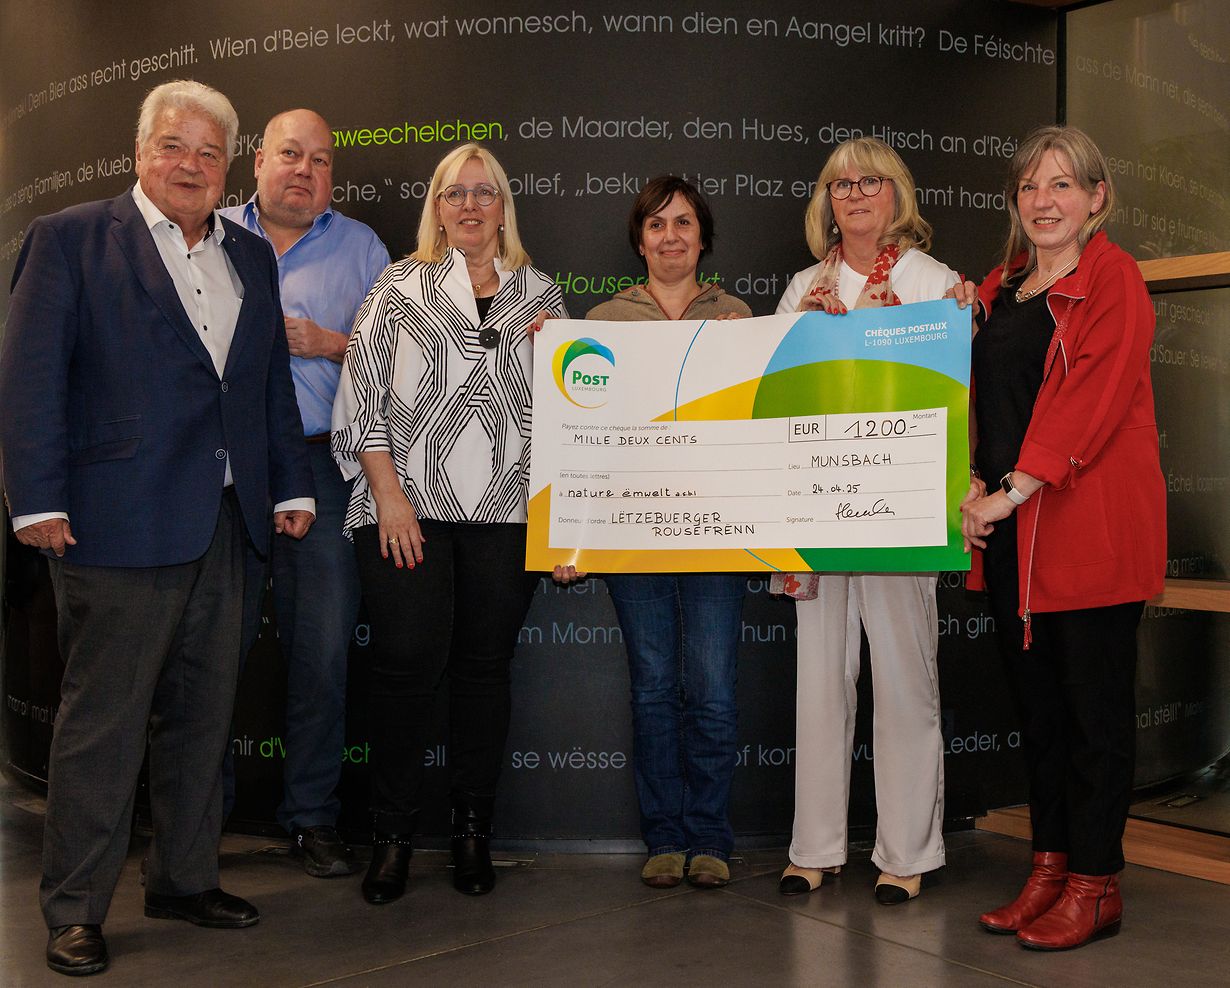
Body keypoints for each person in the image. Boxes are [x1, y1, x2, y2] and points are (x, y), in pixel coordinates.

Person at [0, 79, 315, 977]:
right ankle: (75, 909)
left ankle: (183, 879)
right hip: (116, 525)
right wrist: (36, 499)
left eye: (210, 152)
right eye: (174, 145)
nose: (191, 164)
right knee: (103, 726)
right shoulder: (69, 238)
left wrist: (290, 484)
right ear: (140, 152)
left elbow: (265, 385)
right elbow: (28, 377)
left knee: (203, 719)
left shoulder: (249, 255)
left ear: (228, 168)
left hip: (227, 522)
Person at [332, 142, 565, 905]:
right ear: (436, 207)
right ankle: (393, 838)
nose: (469, 205)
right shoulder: (398, 286)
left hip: (506, 515)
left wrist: (565, 524)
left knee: (483, 672)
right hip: (406, 510)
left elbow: (571, 420)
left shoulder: (542, 297)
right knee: (404, 669)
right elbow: (361, 395)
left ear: (504, 207)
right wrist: (389, 494)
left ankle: (471, 833)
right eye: (454, 193)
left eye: (484, 192)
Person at [958, 125, 1164, 951]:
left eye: (1062, 185)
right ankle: (1048, 869)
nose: (1043, 202)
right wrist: (971, 482)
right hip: (1013, 535)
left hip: (1087, 533)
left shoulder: (1115, 280)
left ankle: (1095, 883)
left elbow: (1091, 404)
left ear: (1096, 197)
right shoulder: (998, 290)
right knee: (1039, 715)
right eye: (1030, 187)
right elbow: (977, 400)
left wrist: (1010, 492)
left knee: (1093, 719)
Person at [774, 138, 957, 906]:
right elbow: (771, 393)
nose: (853, 194)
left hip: (899, 511)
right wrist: (804, 336)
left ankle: (906, 853)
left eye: (869, 182)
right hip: (818, 510)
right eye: (840, 184)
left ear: (896, 194)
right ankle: (814, 849)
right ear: (826, 201)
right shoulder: (802, 287)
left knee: (905, 681)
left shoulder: (931, 281)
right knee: (820, 683)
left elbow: (953, 390)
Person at [220, 109, 390, 877]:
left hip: (323, 465)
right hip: (223, 469)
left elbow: (399, 358)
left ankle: (312, 817)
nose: (304, 170)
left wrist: (331, 344)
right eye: (291, 154)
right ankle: (197, 820)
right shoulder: (210, 233)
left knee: (321, 651)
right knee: (205, 651)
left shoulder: (362, 247)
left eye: (321, 160)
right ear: (258, 160)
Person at [585, 176, 751, 890]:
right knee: (653, 688)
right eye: (656, 225)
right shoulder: (601, 322)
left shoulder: (739, 319)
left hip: (717, 533)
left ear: (703, 237)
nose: (671, 236)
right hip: (634, 534)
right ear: (640, 240)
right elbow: (580, 436)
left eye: (683, 222)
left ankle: (709, 837)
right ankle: (664, 839)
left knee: (712, 691)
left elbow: (759, 432)